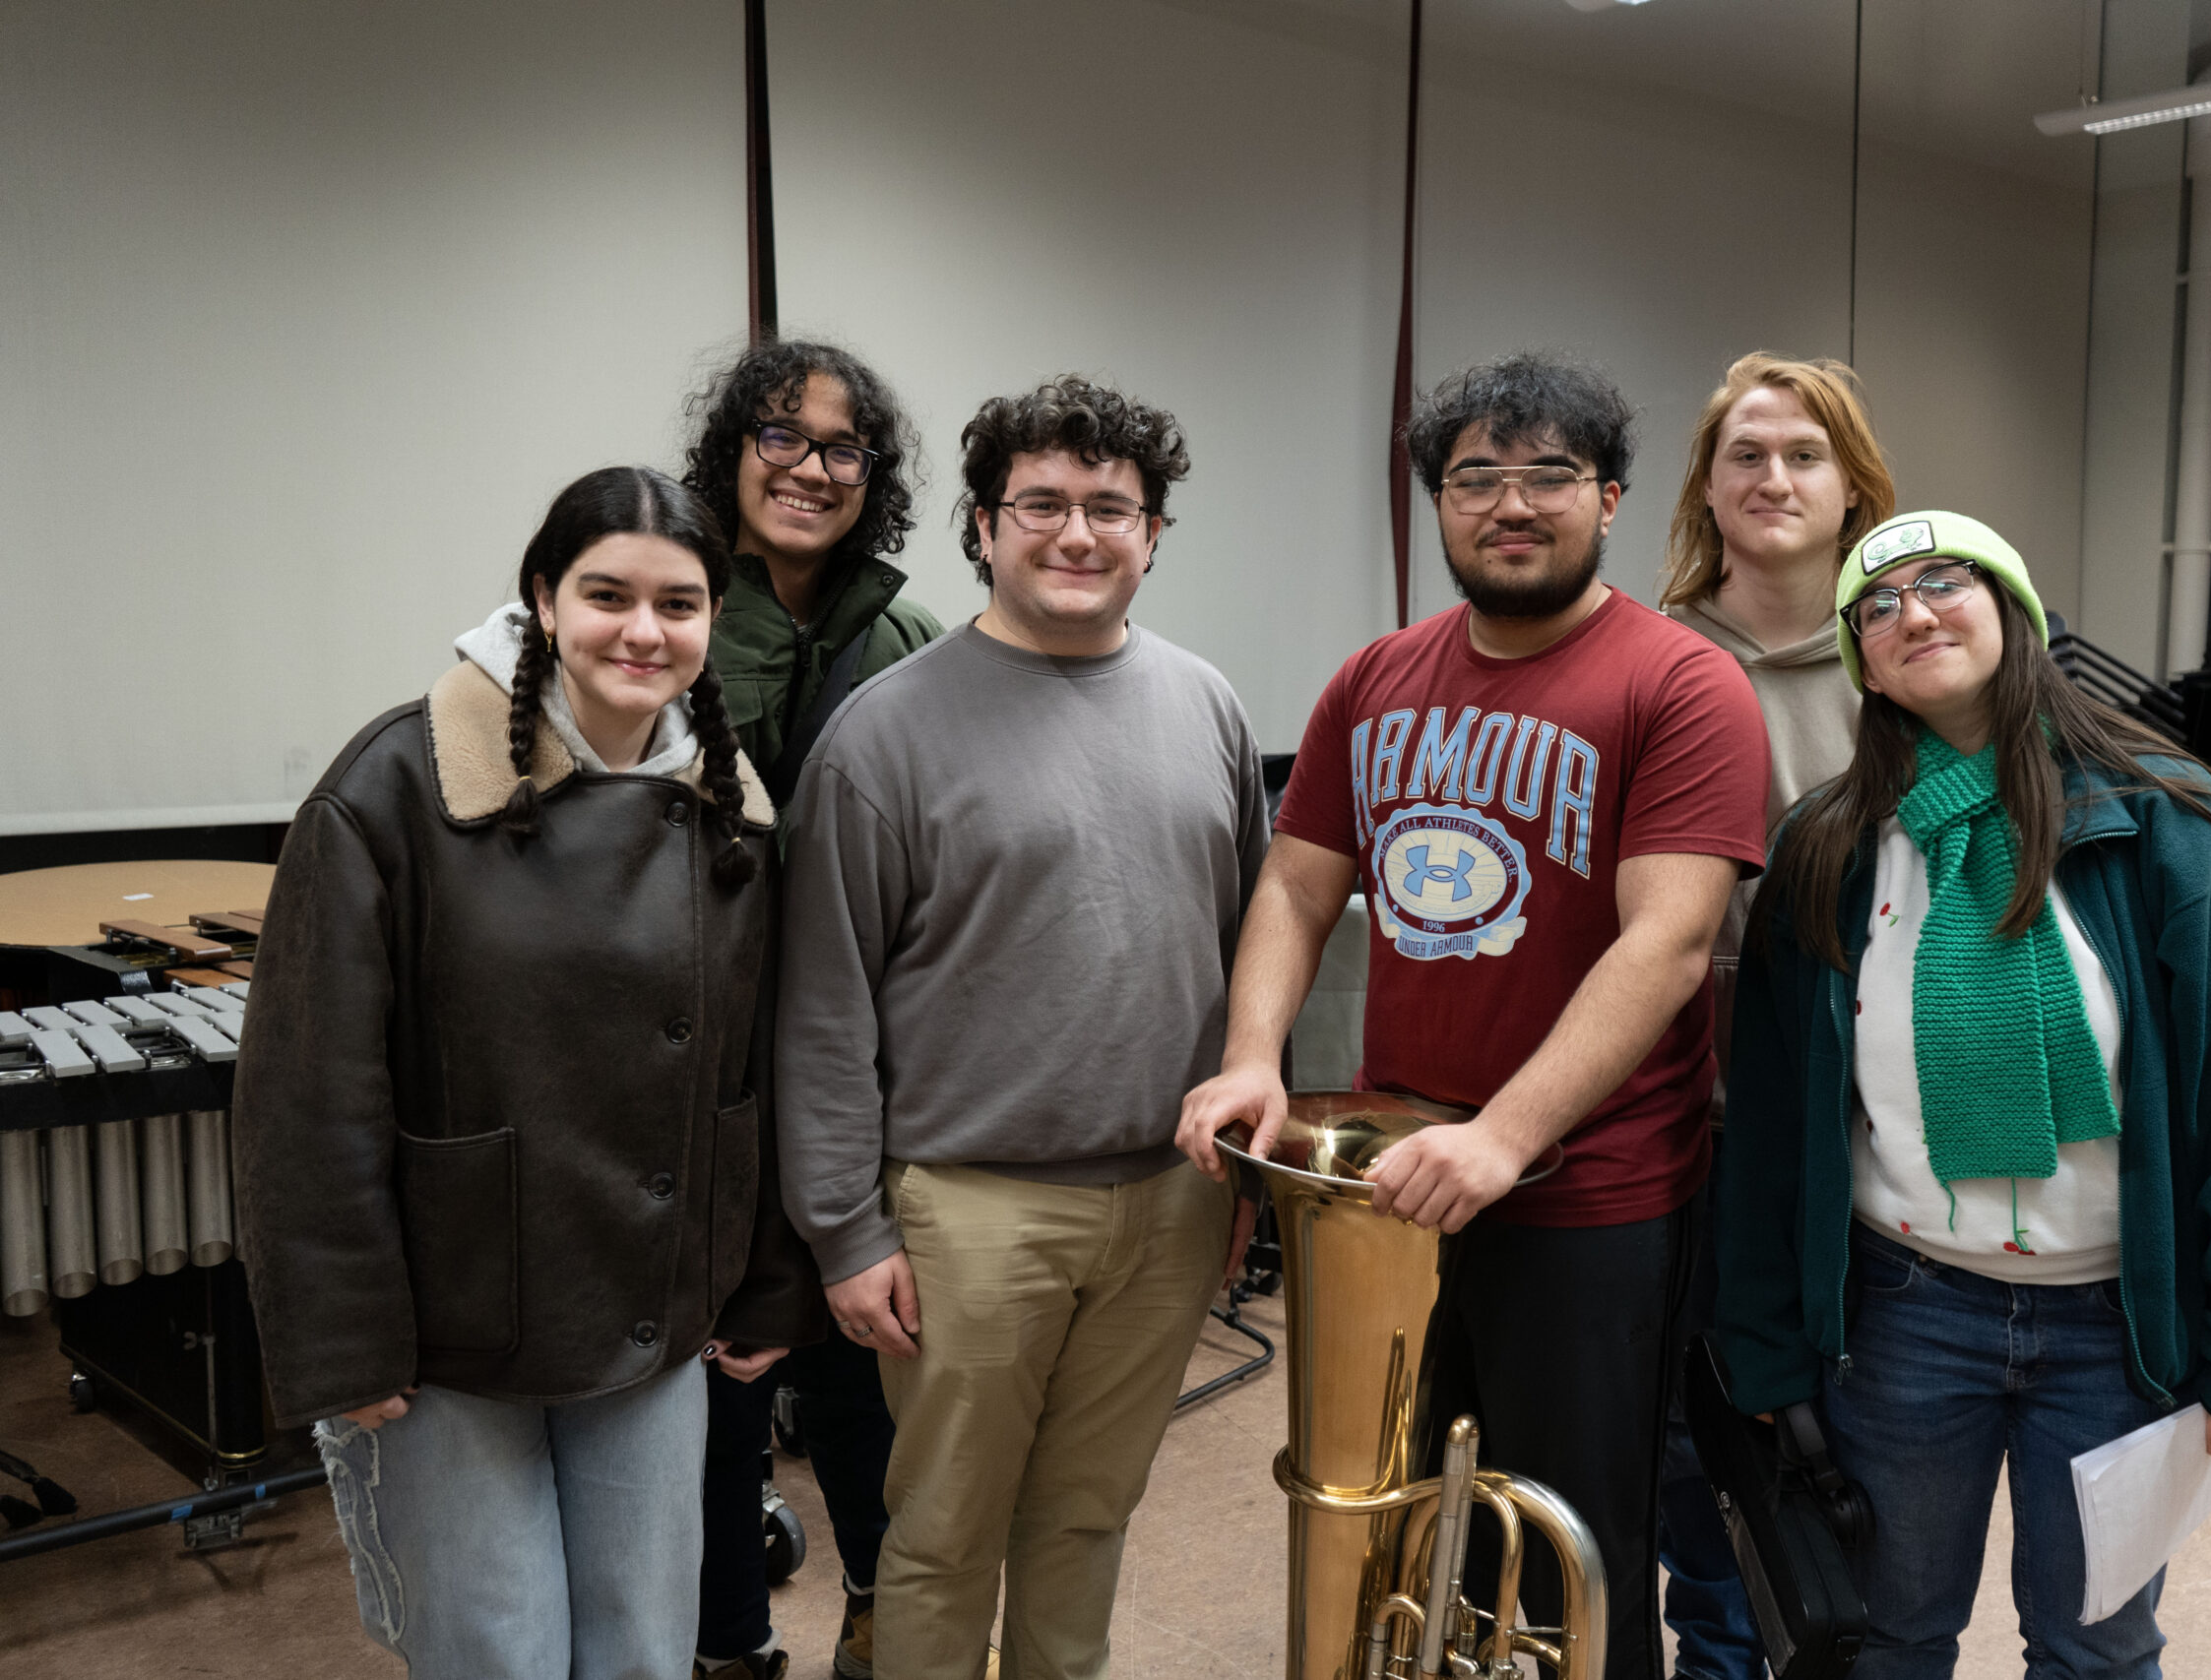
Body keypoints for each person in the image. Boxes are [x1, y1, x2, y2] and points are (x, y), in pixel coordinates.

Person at [1177, 352, 1772, 1677]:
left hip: (1589, 1192)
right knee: (1398, 1532)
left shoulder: (1681, 684)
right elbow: (1295, 883)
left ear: (1610, 496)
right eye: (1475, 478)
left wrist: (1505, 1132)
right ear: (1436, 504)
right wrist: (1249, 1058)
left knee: (1574, 1554)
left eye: (1549, 473)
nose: (1512, 502)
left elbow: (1667, 942)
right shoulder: (1375, 677)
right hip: (1394, 1186)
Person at [1716, 511, 2211, 1679]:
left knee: (2093, 1650)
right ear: (1861, 658)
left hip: (2118, 1328)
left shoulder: (2172, 824)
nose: (1913, 611)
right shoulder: (1828, 847)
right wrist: (1760, 1343)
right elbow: (1771, 1127)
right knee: (1886, 1643)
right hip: (1903, 1316)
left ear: (2013, 612)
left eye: (1945, 581)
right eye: (1877, 605)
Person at [233, 467, 820, 1680]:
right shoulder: (391, 787)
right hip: (455, 1325)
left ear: (715, 622)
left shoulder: (733, 810)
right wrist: (344, 1334)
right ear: (543, 600)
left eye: (681, 602)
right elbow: (308, 1090)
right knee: (497, 1653)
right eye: (608, 595)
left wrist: (762, 1276)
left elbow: (747, 1073)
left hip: (650, 1306)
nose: (644, 631)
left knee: (644, 1648)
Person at [777, 376, 1266, 1680]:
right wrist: (845, 1227)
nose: (1078, 533)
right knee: (939, 1536)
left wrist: (1244, 1181)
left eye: (1112, 506)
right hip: (964, 1208)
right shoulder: (884, 733)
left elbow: (1247, 964)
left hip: (1168, 1198)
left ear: (1153, 533)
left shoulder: (1208, 705)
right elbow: (821, 1003)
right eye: (1040, 503)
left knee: (1090, 1516)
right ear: (982, 526)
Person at [682, 339, 945, 1680]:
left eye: (843, 447)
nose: (810, 466)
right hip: (689, 1079)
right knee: (711, 1391)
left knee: (864, 1376)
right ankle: (727, 1641)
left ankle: (880, 1629)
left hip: (854, 1074)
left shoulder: (905, 634)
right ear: (732, 452)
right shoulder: (663, 606)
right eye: (780, 436)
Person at [1653, 351, 1897, 1680]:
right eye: (1746, 453)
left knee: (1854, 1432)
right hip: (1693, 1111)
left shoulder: (1912, 654)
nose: (1774, 477)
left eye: (1805, 453)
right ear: (1707, 483)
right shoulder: (1648, 652)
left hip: (1866, 1116)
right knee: (1711, 1442)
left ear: (1855, 484)